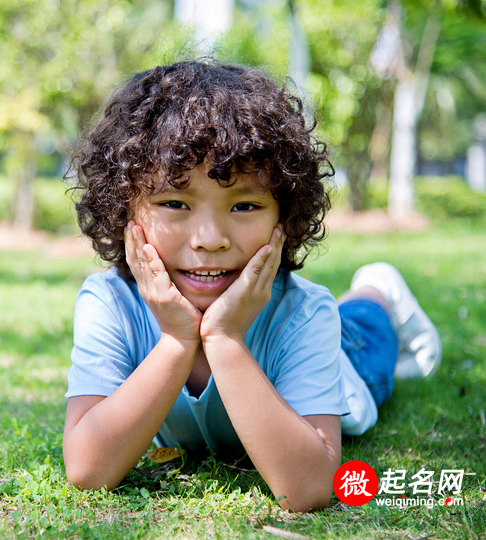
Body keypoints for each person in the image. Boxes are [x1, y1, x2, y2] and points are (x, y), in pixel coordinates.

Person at [61, 60, 441, 512]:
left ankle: (379, 288)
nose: (209, 240)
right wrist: (175, 340)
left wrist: (224, 338)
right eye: (175, 202)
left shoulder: (303, 315)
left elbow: (310, 489)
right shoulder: (109, 304)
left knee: (362, 338)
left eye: (243, 205)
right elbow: (86, 471)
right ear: (125, 210)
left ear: (284, 215)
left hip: (345, 363)